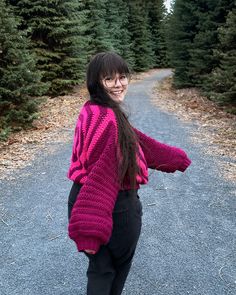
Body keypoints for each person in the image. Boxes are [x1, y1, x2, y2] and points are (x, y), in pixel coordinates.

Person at [67, 51, 191, 295]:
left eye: (122, 77)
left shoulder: (94, 110)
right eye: (109, 79)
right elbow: (103, 175)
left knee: (101, 270)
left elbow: (133, 139)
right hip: (114, 206)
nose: (118, 84)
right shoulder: (109, 120)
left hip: (80, 197)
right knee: (113, 272)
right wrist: (91, 230)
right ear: (96, 82)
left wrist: (173, 158)